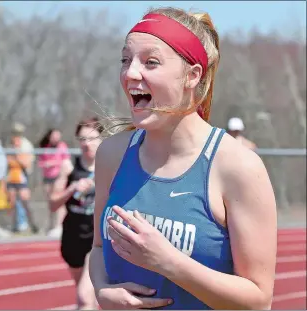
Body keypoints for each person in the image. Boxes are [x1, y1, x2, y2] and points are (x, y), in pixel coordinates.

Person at [89, 7, 277, 310]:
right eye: (125, 59)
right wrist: (101, 289)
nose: (130, 73)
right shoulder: (112, 154)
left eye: (151, 62)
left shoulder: (237, 167)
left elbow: (259, 300)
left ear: (192, 76)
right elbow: (98, 248)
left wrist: (169, 262)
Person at [49, 117, 102, 310]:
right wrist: (72, 188)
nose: (87, 144)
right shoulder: (69, 167)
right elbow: (53, 204)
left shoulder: (109, 167)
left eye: (92, 138)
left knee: (84, 296)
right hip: (72, 236)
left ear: (102, 139)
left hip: (96, 238)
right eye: (82, 139)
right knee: (87, 296)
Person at [6, 122, 39, 233]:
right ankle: (14, 225)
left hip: (22, 177)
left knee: (25, 201)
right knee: (12, 202)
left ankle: (33, 224)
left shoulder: (25, 145)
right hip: (11, 177)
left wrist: (17, 154)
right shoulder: (9, 144)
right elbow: (7, 161)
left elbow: (26, 163)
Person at [38, 128, 71, 237]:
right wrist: (46, 164)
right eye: (54, 136)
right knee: (51, 203)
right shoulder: (45, 147)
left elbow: (66, 161)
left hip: (59, 177)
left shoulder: (62, 146)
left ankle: (59, 226)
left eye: (58, 136)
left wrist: (53, 163)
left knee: (59, 202)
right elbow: (40, 163)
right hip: (48, 178)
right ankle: (50, 226)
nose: (56, 138)